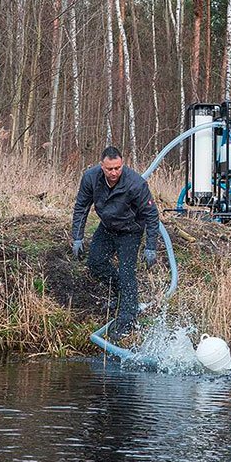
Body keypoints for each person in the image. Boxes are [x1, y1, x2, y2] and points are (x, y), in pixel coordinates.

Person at [71, 146, 159, 341]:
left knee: (127, 273)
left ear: (122, 164)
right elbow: (81, 207)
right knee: (96, 264)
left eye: (117, 168)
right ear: (102, 166)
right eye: (109, 169)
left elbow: (152, 215)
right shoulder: (91, 178)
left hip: (130, 230)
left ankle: (127, 321)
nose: (114, 173)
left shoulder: (135, 183)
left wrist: (151, 247)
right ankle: (124, 295)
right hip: (107, 227)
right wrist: (77, 237)